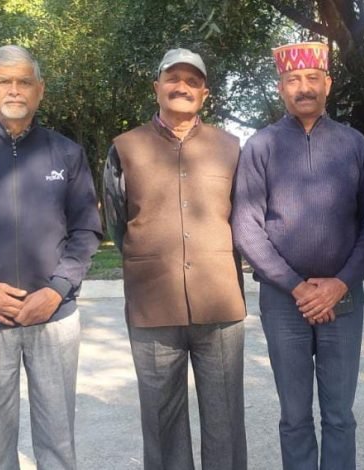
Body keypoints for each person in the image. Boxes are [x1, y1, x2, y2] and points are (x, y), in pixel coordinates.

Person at [231, 42, 364, 470]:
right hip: (283, 302)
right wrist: (297, 287)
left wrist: (340, 284)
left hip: (343, 299)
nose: (304, 87)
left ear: (327, 83)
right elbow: (246, 227)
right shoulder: (261, 146)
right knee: (294, 417)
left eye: (312, 78)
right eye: (293, 79)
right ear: (281, 88)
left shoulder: (354, 145)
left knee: (340, 416)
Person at [103, 48, 247, 470]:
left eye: (192, 81)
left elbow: (243, 217)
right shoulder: (124, 148)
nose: (182, 87)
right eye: (173, 78)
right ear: (157, 87)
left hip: (220, 304)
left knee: (225, 422)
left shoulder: (231, 147)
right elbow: (116, 223)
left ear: (204, 93)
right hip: (152, 306)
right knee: (161, 422)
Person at [0, 45, 102, 470]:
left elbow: (86, 229)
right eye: (4, 81)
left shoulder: (67, 153)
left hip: (53, 319)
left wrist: (57, 290)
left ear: (40, 90)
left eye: (24, 81)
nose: (14, 90)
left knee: (58, 445)